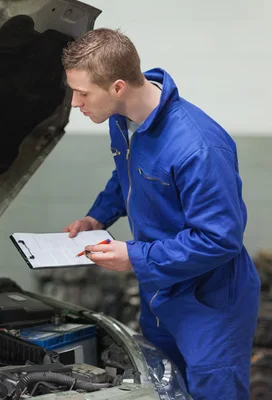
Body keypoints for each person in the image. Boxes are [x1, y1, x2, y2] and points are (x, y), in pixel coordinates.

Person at [61, 28, 260, 400]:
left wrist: (133, 257)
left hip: (209, 301)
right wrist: (98, 217)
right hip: (159, 290)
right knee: (165, 389)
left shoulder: (199, 147)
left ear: (117, 87)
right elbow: (128, 176)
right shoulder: (123, 121)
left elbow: (220, 239)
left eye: (83, 93)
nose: (75, 103)